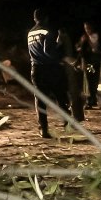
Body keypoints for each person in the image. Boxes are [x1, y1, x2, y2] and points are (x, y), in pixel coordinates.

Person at [27, 8, 70, 138]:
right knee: (60, 96)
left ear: (35, 18)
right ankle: (67, 123)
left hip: (36, 69)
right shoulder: (47, 30)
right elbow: (48, 50)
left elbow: (37, 50)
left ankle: (43, 129)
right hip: (50, 69)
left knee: (40, 100)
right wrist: (60, 45)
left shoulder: (30, 33)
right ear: (46, 18)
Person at [58, 26, 85, 122]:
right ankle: (77, 116)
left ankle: (76, 117)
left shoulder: (64, 38)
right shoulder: (67, 38)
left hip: (70, 68)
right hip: (70, 67)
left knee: (74, 93)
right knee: (74, 93)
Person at [76, 21, 101, 109]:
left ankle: (91, 100)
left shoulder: (95, 36)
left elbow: (96, 49)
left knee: (91, 81)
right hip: (89, 62)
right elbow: (80, 49)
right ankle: (91, 100)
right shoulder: (85, 37)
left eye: (88, 28)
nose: (87, 30)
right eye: (85, 28)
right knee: (89, 81)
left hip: (93, 62)